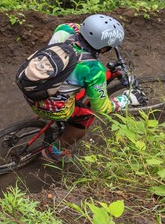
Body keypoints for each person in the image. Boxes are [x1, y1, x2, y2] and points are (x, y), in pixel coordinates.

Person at [24, 14, 137, 162]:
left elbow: (77, 28)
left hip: (31, 84)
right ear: (103, 47)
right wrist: (126, 99)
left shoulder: (65, 30)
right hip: (51, 105)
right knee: (86, 117)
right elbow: (102, 108)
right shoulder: (93, 68)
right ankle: (54, 152)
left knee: (75, 87)